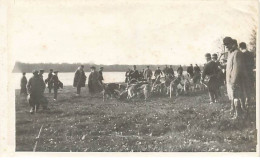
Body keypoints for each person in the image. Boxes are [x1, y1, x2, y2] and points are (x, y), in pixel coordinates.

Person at [223, 37, 250, 119]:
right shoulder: (231, 53)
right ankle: (237, 112)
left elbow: (236, 69)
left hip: (235, 80)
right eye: (225, 45)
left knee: (236, 96)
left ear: (233, 44)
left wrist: (234, 81)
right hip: (230, 79)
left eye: (228, 44)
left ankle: (238, 114)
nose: (226, 46)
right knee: (234, 96)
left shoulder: (237, 53)